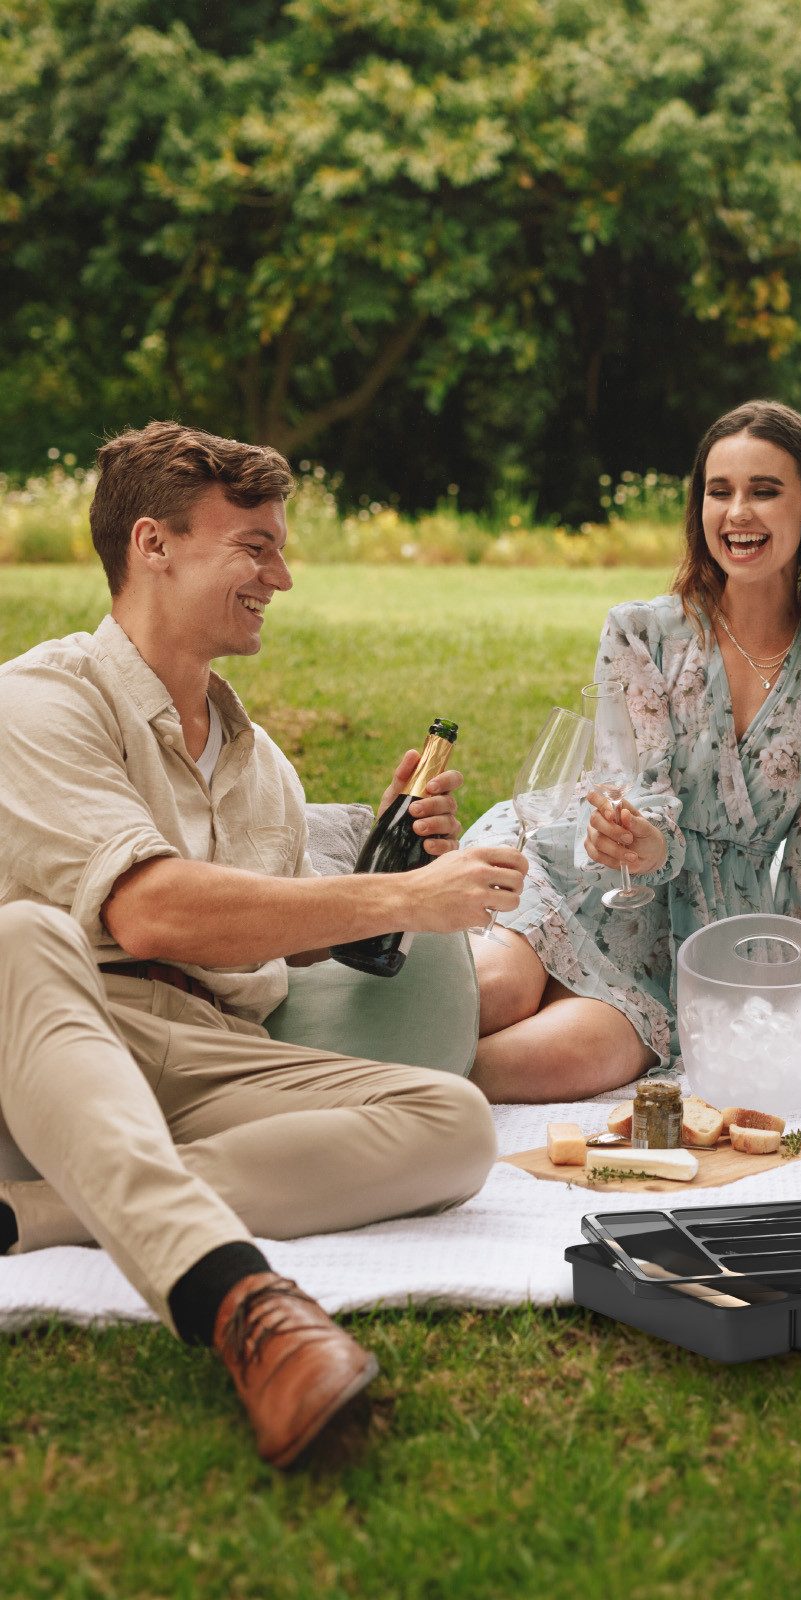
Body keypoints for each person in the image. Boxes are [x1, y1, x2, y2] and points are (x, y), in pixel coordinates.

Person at [0, 422, 530, 1467]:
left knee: (454, 1123)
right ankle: (243, 1302)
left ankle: (34, 1216)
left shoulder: (264, 768)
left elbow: (278, 948)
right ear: (153, 544)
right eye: (254, 546)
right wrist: (417, 898)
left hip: (207, 1046)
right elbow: (149, 912)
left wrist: (388, 883)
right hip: (58, 1032)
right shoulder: (38, 700)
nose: (280, 576)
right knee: (20, 932)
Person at [464, 399, 801, 1101]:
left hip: (696, 936)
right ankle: (309, 1061)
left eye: (765, 491)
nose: (738, 514)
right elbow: (627, 787)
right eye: (719, 492)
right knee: (492, 995)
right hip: (584, 870)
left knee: (555, 1065)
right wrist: (640, 839)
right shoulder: (643, 633)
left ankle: (359, 1081)